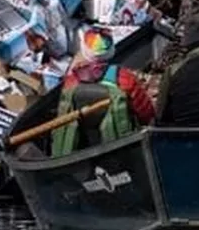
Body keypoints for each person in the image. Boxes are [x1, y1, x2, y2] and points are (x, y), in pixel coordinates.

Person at [51, 27, 156, 158]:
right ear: (111, 51)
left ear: (84, 51)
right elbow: (146, 113)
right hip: (118, 144)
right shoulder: (125, 79)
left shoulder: (70, 82)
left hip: (82, 146)